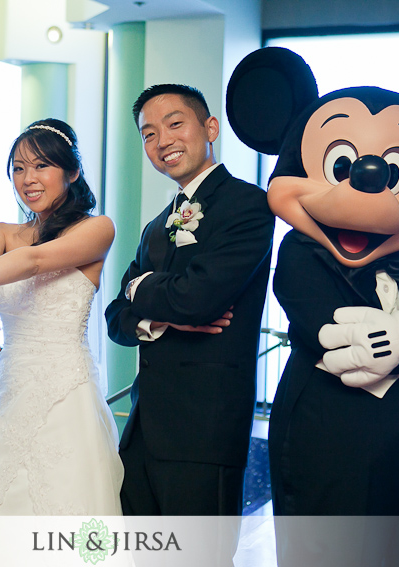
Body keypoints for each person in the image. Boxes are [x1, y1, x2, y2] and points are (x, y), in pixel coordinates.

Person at [104, 84, 275, 555]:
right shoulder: (157, 224)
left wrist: (142, 289)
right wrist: (159, 317)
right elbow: (116, 319)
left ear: (209, 128)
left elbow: (198, 299)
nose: (162, 141)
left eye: (175, 124)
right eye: (149, 134)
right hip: (143, 429)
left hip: (206, 430)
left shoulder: (248, 205)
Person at [0, 118, 123, 518]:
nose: (28, 178)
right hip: (11, 392)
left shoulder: (97, 229)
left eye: (42, 165)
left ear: (72, 171)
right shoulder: (0, 232)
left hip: (67, 391)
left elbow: (35, 260)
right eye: (19, 168)